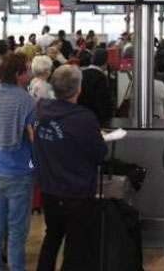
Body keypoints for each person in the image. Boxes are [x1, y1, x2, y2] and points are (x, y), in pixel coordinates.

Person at [34, 65, 108, 271]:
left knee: (52, 238)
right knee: (76, 247)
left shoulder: (40, 110)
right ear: (78, 90)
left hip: (49, 189)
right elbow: (100, 153)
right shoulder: (83, 119)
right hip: (77, 192)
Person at [0, 53, 36, 271]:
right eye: (27, 69)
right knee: (16, 232)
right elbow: (34, 136)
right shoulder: (26, 101)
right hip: (19, 171)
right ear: (18, 74)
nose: (30, 73)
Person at [78, 49, 114, 126]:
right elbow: (102, 102)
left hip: (81, 116)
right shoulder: (101, 78)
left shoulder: (81, 73)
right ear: (106, 62)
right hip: (96, 119)